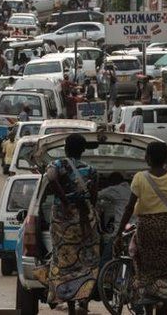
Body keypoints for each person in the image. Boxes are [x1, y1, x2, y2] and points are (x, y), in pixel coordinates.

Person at [116, 141, 167, 315]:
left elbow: (129, 207)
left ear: (147, 158)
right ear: (166, 158)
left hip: (147, 227)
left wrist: (118, 233)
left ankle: (149, 310)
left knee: (146, 270)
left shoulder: (140, 178)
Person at [44, 134, 100, 314]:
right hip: (84, 220)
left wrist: (65, 202)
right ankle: (84, 300)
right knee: (87, 261)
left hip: (63, 221)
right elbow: (93, 197)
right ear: (83, 150)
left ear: (66, 148)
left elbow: (51, 178)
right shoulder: (91, 170)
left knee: (65, 261)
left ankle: (69, 304)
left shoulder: (58, 165)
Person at [96, 172, 131, 261]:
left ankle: (103, 273)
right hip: (134, 228)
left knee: (105, 258)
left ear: (112, 182)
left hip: (120, 229)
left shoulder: (115, 190)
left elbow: (97, 195)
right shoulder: (131, 189)